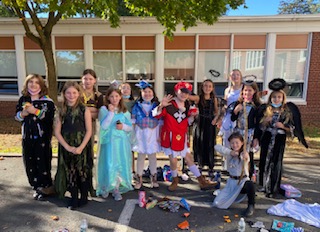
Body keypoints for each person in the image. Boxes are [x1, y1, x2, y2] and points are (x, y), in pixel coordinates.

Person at [152, 81, 217, 191]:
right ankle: (175, 180)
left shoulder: (187, 105)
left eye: (186, 93)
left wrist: (193, 116)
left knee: (188, 158)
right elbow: (156, 115)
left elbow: (187, 122)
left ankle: (201, 180)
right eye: (182, 91)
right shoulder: (169, 104)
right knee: (173, 159)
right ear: (176, 91)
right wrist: (161, 105)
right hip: (170, 136)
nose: (184, 95)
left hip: (182, 136)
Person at [255, 78, 308, 198]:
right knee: (265, 161)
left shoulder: (287, 111)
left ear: (282, 98)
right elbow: (259, 126)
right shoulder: (266, 110)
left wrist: (283, 126)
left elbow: (293, 128)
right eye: (274, 97)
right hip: (267, 138)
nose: (276, 99)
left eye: (279, 97)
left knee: (276, 162)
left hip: (279, 138)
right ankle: (263, 185)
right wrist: (265, 122)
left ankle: (273, 188)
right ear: (271, 98)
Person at [15, 74, 55, 200]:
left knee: (42, 162)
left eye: (37, 82)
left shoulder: (47, 101)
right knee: (29, 162)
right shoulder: (23, 100)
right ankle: (35, 186)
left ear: (41, 85)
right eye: (30, 82)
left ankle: (45, 187)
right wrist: (23, 113)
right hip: (27, 137)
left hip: (42, 139)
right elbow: (17, 117)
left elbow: (49, 118)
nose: (33, 84)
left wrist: (35, 111)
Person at [54, 81, 92, 210]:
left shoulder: (84, 109)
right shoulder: (61, 111)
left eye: (74, 92)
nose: (71, 95)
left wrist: (81, 146)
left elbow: (89, 130)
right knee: (70, 171)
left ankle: (84, 196)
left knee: (82, 170)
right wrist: (67, 146)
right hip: (67, 144)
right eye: (68, 93)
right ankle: (74, 197)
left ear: (79, 93)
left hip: (82, 144)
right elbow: (57, 132)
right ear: (64, 94)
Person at [96, 88, 133, 201]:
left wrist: (123, 127)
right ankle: (106, 186)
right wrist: (111, 113)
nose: (114, 99)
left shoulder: (125, 111)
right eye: (111, 96)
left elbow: (130, 127)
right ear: (107, 98)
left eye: (116, 96)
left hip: (120, 143)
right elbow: (104, 126)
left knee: (118, 164)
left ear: (120, 97)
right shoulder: (104, 109)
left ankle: (116, 188)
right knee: (108, 163)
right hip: (109, 142)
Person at [213, 132, 255, 217]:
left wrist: (244, 157)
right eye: (232, 143)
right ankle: (231, 196)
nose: (235, 145)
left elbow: (246, 158)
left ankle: (251, 205)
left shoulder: (244, 153)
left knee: (250, 184)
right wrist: (230, 152)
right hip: (231, 183)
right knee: (217, 203)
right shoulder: (229, 153)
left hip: (242, 182)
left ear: (242, 143)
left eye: (237, 143)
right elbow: (216, 147)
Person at [131, 80, 161, 189]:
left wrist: (159, 136)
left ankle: (154, 178)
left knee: (152, 156)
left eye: (149, 92)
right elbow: (133, 122)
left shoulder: (157, 106)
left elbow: (160, 121)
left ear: (153, 93)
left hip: (153, 133)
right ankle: (139, 178)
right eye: (145, 92)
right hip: (140, 133)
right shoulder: (137, 106)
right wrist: (133, 136)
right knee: (141, 156)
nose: (147, 94)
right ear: (141, 93)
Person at [231, 78, 261, 179]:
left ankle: (249, 175)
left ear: (254, 91)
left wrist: (256, 137)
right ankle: (238, 174)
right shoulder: (238, 103)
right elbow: (232, 118)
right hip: (239, 132)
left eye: (250, 90)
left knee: (248, 155)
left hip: (250, 133)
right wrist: (235, 111)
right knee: (238, 153)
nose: (247, 92)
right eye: (245, 90)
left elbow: (258, 123)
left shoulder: (256, 106)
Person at [189, 79, 219, 178]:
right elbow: (188, 96)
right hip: (200, 122)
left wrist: (216, 119)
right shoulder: (198, 98)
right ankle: (200, 164)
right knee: (199, 143)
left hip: (210, 123)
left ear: (212, 88)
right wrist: (184, 87)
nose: (207, 88)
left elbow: (216, 111)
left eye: (210, 86)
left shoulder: (214, 98)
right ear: (202, 87)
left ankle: (211, 167)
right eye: (205, 86)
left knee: (210, 144)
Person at [81, 68, 104, 197]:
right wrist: (90, 110)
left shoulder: (98, 96)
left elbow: (99, 114)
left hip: (90, 128)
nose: (88, 81)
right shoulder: (76, 93)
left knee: (88, 155)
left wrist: (84, 111)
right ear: (81, 79)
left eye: (90, 79)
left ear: (94, 80)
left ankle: (89, 186)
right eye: (85, 78)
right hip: (75, 127)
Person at [218, 69, 243, 171]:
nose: (235, 77)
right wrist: (220, 118)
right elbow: (225, 105)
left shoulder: (243, 89)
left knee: (239, 143)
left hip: (240, 118)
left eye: (237, 75)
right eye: (233, 75)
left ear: (240, 77)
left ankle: (240, 167)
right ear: (229, 77)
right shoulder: (227, 90)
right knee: (228, 142)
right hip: (228, 119)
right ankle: (228, 167)